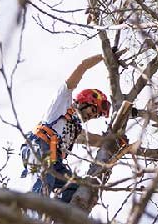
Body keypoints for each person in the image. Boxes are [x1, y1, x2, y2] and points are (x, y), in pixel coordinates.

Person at [20, 53, 113, 208]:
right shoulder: (63, 102)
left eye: (96, 116)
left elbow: (96, 140)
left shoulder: (74, 128)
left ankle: (56, 223)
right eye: (93, 110)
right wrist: (105, 54)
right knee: (43, 181)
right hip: (40, 146)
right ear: (85, 101)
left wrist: (115, 140)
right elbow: (82, 66)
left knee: (75, 187)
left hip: (56, 161)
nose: (92, 116)